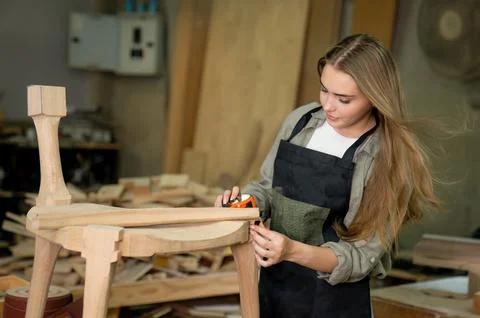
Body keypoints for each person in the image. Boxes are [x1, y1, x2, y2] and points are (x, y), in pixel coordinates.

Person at [215, 33, 439, 318]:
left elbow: (359, 256)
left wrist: (291, 251)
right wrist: (241, 206)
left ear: (374, 97)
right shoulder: (301, 122)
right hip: (275, 288)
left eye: (344, 99)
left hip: (334, 303)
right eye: (324, 90)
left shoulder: (386, 159)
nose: (328, 106)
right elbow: (268, 189)